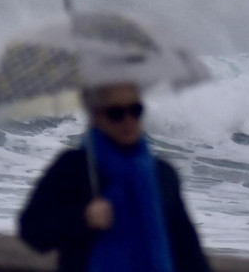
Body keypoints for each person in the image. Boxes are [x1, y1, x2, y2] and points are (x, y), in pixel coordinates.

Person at [19, 82, 212, 272]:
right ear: (95, 116)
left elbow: (189, 253)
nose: (128, 120)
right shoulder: (74, 167)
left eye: (135, 110)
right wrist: (82, 218)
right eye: (116, 113)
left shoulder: (161, 174)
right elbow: (32, 230)